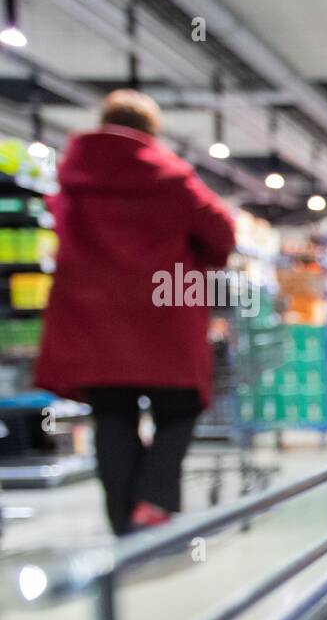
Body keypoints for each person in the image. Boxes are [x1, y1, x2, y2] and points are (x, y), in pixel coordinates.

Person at [34, 89, 237, 536]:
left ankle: (124, 522)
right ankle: (155, 500)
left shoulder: (72, 178)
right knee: (181, 408)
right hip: (165, 315)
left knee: (112, 415)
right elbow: (220, 233)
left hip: (94, 321)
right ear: (150, 132)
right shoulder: (169, 176)